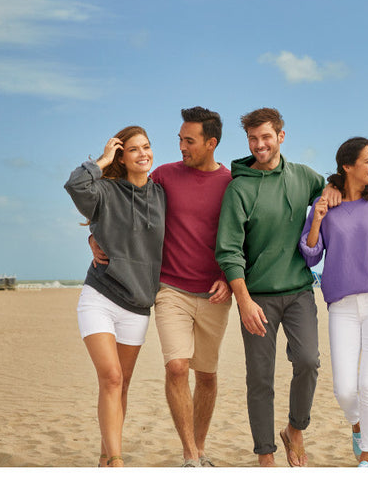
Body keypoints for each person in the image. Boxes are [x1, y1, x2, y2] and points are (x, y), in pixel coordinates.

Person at [90, 107, 232, 467]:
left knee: (208, 375)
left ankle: (199, 450)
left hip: (215, 292)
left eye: (189, 141)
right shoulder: (165, 176)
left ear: (210, 143)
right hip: (170, 289)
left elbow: (241, 235)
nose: (181, 146)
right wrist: (94, 235)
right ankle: (188, 455)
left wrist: (229, 279)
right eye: (179, 139)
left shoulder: (230, 183)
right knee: (177, 368)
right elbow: (124, 204)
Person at [215, 107, 326, 467]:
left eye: (266, 136)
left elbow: (333, 194)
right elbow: (229, 250)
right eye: (253, 138)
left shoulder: (304, 177)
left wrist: (335, 194)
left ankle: (295, 430)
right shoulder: (239, 189)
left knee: (308, 361)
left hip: (298, 291)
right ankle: (265, 453)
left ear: (281, 136)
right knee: (260, 378)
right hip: (258, 296)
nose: (260, 144)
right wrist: (244, 301)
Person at [299, 137, 368, 467]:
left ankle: (367, 457)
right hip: (342, 306)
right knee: (344, 389)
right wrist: (318, 217)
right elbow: (311, 255)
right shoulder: (327, 205)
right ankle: (358, 426)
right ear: (348, 166)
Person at [65, 127, 165, 467]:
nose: (143, 154)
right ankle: (118, 461)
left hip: (138, 305)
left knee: (121, 386)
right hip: (101, 295)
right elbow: (75, 186)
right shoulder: (105, 191)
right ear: (122, 157)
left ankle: (106, 457)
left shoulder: (162, 195)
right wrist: (102, 160)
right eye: (133, 149)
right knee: (110, 377)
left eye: (147, 147)